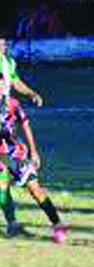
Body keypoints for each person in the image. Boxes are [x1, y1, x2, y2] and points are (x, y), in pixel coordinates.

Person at [0, 90, 69, 242]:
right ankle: (13, 225)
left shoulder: (12, 103)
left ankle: (57, 224)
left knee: (35, 189)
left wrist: (34, 151)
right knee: (2, 190)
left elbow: (25, 125)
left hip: (15, 153)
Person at [0, 33, 44, 106]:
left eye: (4, 45)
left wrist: (32, 93)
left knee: (16, 107)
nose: (2, 47)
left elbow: (16, 82)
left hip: (4, 101)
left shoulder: (10, 63)